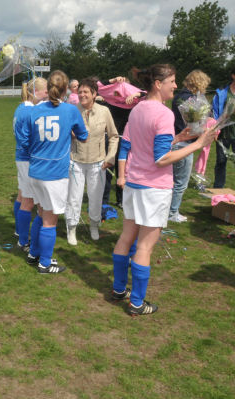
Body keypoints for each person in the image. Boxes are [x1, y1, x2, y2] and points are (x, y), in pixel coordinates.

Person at [110, 64, 217, 316]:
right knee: (145, 246)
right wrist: (199, 144)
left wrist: (178, 139)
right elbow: (161, 159)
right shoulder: (163, 113)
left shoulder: (137, 110)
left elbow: (143, 144)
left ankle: (118, 289)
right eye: (172, 81)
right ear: (158, 84)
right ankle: (136, 302)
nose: (176, 85)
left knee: (126, 237)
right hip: (153, 188)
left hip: (135, 185)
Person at [17, 70, 88, 273]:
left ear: (48, 89)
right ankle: (45, 263)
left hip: (35, 170)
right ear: (65, 89)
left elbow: (23, 140)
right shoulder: (70, 110)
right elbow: (83, 136)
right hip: (55, 173)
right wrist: (70, 135)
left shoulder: (34, 110)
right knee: (50, 219)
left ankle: (34, 253)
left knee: (40, 212)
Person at [65, 78, 119, 245]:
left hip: (98, 163)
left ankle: (94, 225)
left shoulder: (104, 111)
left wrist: (110, 157)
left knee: (96, 198)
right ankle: (71, 228)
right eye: (79, 92)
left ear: (95, 94)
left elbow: (114, 136)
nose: (82, 95)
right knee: (74, 198)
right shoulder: (71, 111)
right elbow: (64, 135)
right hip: (76, 162)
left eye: (85, 92)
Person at [168, 70, 212, 222]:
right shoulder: (191, 100)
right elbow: (190, 125)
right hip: (184, 143)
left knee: (171, 179)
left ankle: (167, 209)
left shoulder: (179, 96)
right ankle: (172, 213)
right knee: (181, 182)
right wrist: (203, 130)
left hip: (175, 141)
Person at [97, 76, 146, 208]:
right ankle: (104, 201)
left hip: (126, 139)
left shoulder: (135, 102)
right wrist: (112, 81)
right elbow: (97, 85)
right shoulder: (109, 100)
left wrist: (136, 94)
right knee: (107, 170)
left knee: (123, 171)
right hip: (111, 138)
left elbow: (148, 93)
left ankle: (122, 200)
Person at [14, 77, 48, 251]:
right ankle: (23, 240)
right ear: (36, 92)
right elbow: (27, 140)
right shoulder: (29, 112)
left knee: (21, 196)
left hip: (22, 158)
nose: (48, 94)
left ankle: (19, 231)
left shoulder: (22, 108)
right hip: (28, 160)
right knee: (28, 202)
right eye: (45, 91)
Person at [211, 66, 235, 188]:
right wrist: (215, 129)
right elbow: (215, 111)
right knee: (221, 161)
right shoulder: (222, 93)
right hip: (223, 133)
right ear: (233, 76)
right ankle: (218, 189)